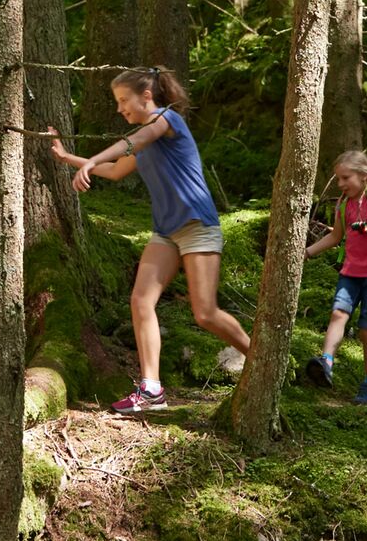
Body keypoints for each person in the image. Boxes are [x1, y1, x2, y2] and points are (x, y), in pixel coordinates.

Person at [49, 65, 250, 414]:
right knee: (141, 301)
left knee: (204, 313)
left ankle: (263, 359)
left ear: (147, 96)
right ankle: (152, 390)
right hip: (166, 230)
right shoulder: (143, 136)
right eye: (117, 101)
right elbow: (114, 170)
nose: (119, 107)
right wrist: (69, 158)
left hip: (196, 224)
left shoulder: (166, 119)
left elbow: (135, 141)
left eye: (123, 99)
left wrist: (91, 159)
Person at [304, 151, 367, 405]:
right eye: (338, 179)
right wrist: (306, 252)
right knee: (338, 314)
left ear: (363, 175)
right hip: (350, 273)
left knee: (366, 330)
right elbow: (335, 237)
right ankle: (326, 362)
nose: (340, 184)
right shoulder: (343, 204)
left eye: (345, 178)